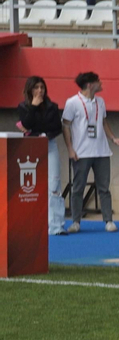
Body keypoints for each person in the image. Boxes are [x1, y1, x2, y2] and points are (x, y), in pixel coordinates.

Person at [62, 71, 119, 234]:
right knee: (78, 188)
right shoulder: (72, 102)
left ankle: (108, 221)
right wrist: (70, 148)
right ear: (89, 85)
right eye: (98, 81)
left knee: (104, 187)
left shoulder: (100, 102)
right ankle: (75, 221)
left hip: (101, 151)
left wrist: (113, 138)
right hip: (81, 153)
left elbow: (103, 122)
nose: (101, 83)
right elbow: (66, 126)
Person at [15, 76, 65, 236]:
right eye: (36, 88)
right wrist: (34, 107)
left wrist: (45, 133)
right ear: (30, 90)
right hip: (31, 146)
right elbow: (27, 123)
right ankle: (31, 224)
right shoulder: (23, 107)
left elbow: (57, 127)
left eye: (42, 87)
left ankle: (56, 226)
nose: (39, 91)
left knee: (54, 184)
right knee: (30, 186)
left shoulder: (52, 106)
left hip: (49, 144)